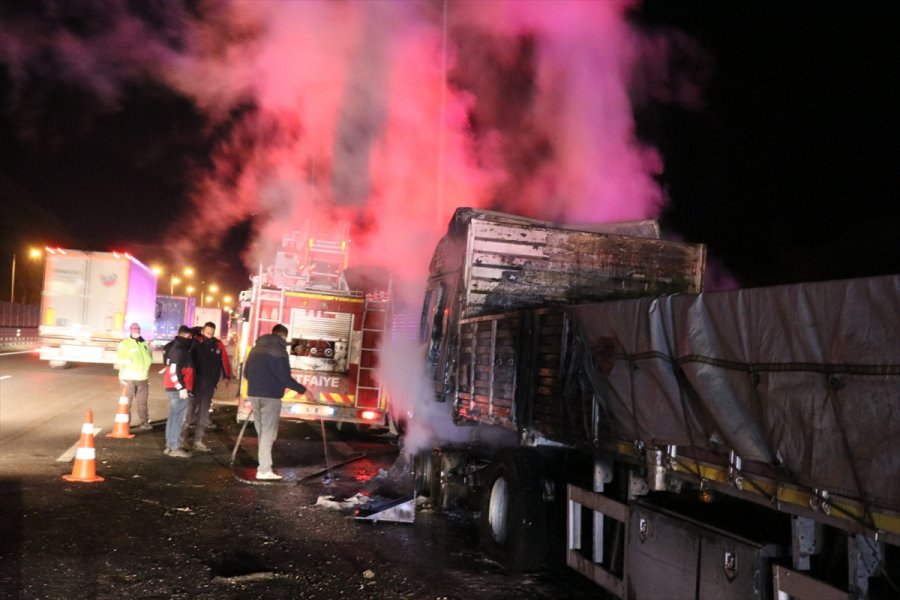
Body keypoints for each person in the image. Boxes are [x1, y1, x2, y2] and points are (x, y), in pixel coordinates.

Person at [243, 324, 308, 480]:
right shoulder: (280, 352)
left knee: (262, 433)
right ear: (283, 336)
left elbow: (246, 373)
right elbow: (284, 378)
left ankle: (264, 466)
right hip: (270, 397)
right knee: (268, 434)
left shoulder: (255, 349)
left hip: (254, 395)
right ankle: (264, 470)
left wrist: (258, 386)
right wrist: (303, 390)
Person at [183, 321, 232, 452]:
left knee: (203, 414)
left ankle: (197, 440)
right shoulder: (195, 341)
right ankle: (181, 439)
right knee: (189, 413)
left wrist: (227, 376)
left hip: (209, 384)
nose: (209, 336)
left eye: (211, 333)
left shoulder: (218, 344)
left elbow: (224, 361)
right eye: (207, 333)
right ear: (203, 331)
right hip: (195, 384)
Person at [163, 326, 195, 458]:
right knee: (177, 419)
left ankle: (170, 445)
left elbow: (171, 367)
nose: (191, 340)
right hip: (178, 390)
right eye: (190, 337)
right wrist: (181, 387)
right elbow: (174, 370)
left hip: (173, 388)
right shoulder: (180, 349)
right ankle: (174, 446)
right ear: (186, 336)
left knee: (173, 418)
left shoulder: (175, 346)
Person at [115, 322, 153, 430]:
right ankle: (125, 423)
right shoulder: (125, 344)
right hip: (129, 378)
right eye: (134, 328)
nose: (136, 330)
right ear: (130, 330)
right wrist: (127, 363)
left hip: (142, 378)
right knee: (127, 402)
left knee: (143, 402)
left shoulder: (144, 343)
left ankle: (144, 422)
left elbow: (149, 356)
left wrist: (147, 365)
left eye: (138, 329)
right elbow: (119, 359)